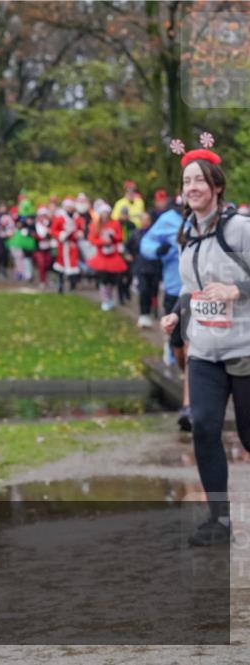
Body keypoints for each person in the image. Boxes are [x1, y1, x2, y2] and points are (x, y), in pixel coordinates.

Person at [160, 134, 250, 546]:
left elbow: (235, 286)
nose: (191, 188)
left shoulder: (240, 229)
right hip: (205, 353)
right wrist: (177, 313)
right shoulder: (187, 234)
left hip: (245, 351)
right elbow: (191, 287)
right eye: (186, 182)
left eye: (199, 181)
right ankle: (220, 520)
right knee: (204, 427)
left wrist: (238, 291)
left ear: (216, 187)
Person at [142, 186, 190, 429]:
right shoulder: (168, 220)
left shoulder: (214, 217)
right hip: (175, 290)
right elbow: (146, 243)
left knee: (195, 349)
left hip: (203, 294)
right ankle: (177, 359)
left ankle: (190, 404)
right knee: (180, 349)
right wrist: (156, 250)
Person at [128, 212, 160, 328]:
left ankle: (152, 309)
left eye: (147, 219)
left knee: (153, 290)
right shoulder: (135, 234)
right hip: (140, 266)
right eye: (143, 219)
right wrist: (130, 256)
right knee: (143, 290)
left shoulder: (155, 234)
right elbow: (128, 247)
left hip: (154, 266)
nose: (145, 222)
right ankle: (143, 314)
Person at [32, 207, 55, 288]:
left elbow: (52, 233)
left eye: (44, 216)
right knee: (41, 264)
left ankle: (48, 279)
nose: (43, 217)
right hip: (39, 248)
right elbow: (33, 235)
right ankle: (42, 281)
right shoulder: (35, 225)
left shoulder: (49, 224)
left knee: (48, 263)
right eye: (41, 216)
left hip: (47, 247)